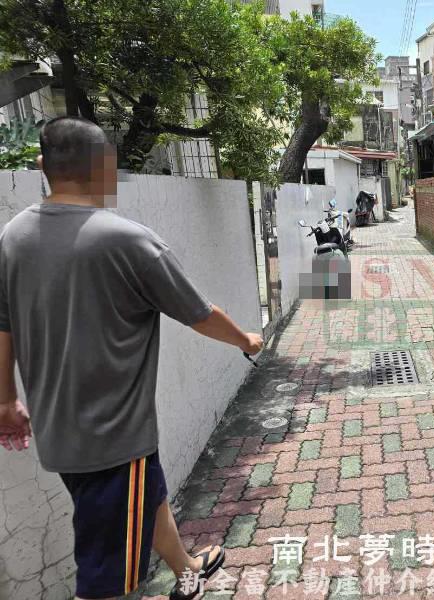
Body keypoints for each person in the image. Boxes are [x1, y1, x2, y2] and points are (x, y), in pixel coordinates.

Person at [0, 116, 264, 600]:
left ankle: (187, 571)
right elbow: (200, 313)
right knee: (104, 579)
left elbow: (3, 324)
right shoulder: (127, 240)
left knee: (148, 498)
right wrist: (246, 340)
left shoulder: (13, 237)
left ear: (42, 165)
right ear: (105, 166)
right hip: (112, 439)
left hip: (60, 431)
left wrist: (5, 399)